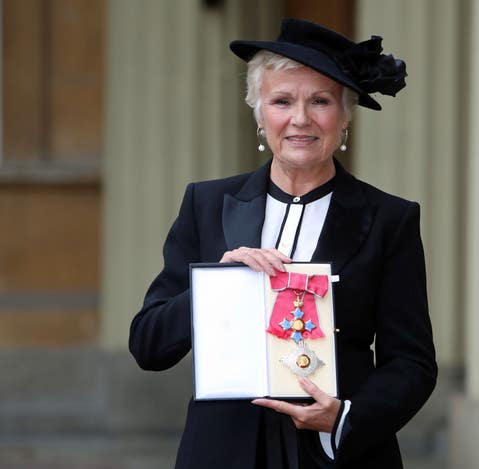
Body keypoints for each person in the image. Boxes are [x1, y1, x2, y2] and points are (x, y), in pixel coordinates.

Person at [129, 18, 437, 469]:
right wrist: (218, 286)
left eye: (320, 101)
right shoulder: (208, 203)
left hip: (339, 455)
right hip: (222, 452)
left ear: (345, 115)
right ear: (258, 113)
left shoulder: (391, 218)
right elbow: (149, 346)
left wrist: (344, 418)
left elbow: (411, 362)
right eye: (282, 101)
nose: (300, 118)